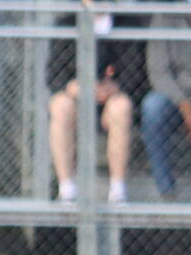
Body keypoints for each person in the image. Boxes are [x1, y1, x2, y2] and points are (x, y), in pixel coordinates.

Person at [49, 0, 147, 203]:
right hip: (77, 99)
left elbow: (136, 72)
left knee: (122, 107)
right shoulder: (66, 24)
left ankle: (117, 189)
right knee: (60, 104)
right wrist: (73, 87)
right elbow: (53, 73)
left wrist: (114, 87)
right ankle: (66, 188)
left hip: (109, 101)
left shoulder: (128, 24)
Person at [140, 13, 191, 198]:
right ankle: (166, 190)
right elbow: (159, 73)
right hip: (177, 97)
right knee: (153, 106)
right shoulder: (165, 16)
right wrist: (186, 107)